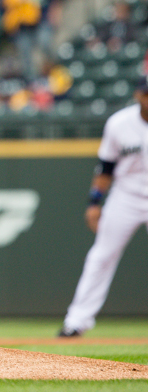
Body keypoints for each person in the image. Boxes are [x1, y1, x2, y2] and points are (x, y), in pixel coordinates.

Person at [58, 77, 148, 337]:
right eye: (145, 94)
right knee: (101, 257)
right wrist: (94, 203)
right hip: (126, 197)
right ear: (137, 95)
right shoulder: (119, 123)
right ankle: (76, 322)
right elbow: (105, 168)